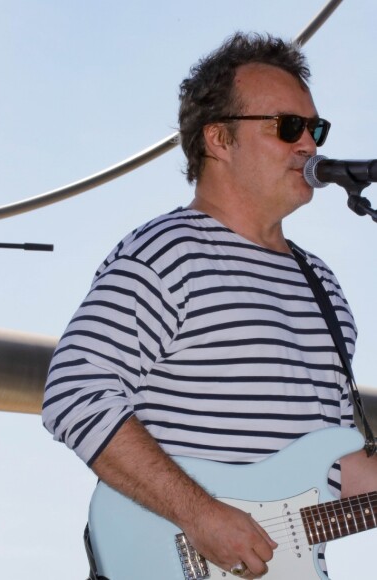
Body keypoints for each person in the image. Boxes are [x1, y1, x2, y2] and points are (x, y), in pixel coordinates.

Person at [42, 32, 377, 579]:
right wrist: (201, 516)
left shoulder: (324, 288)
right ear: (219, 139)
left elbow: (340, 471)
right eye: (287, 127)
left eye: (315, 129)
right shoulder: (168, 252)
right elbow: (75, 390)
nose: (310, 146)